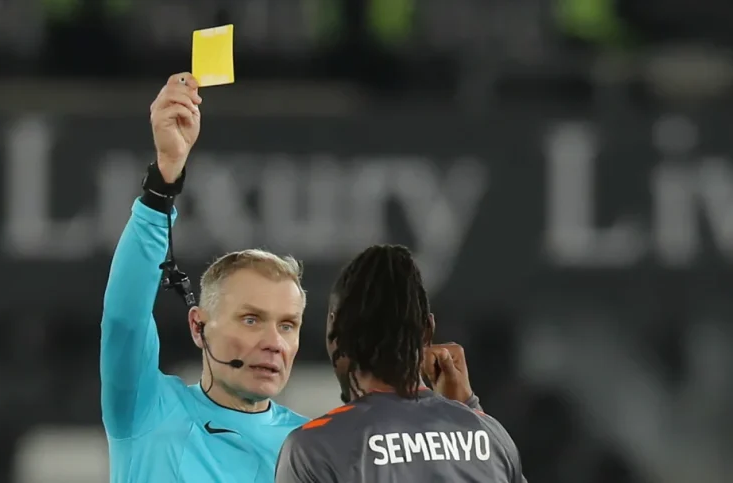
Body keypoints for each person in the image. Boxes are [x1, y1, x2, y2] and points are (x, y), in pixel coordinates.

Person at [101, 72, 485, 483]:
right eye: (251, 319)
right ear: (199, 326)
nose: (274, 343)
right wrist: (164, 181)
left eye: (288, 325)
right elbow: (125, 317)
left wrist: (461, 420)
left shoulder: (319, 448)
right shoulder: (148, 411)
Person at [275, 245, 528, 483]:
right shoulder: (493, 439)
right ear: (428, 330)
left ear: (334, 333)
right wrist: (469, 413)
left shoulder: (313, 448)